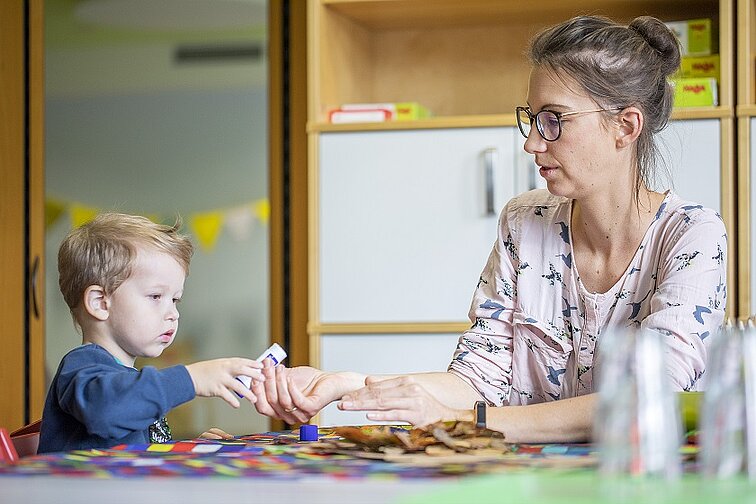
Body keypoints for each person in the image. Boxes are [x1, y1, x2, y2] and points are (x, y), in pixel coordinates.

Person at [252, 15, 728, 443]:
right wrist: (351, 385)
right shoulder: (525, 221)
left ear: (625, 126)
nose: (532, 142)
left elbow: (647, 398)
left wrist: (466, 419)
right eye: (531, 119)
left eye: (553, 120)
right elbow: (478, 377)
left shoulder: (693, 236)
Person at [38, 213, 265, 453]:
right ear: (100, 303)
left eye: (175, 299)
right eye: (156, 296)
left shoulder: (128, 379)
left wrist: (184, 447)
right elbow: (108, 410)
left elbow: (138, 449)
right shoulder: (82, 366)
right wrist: (191, 378)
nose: (173, 314)